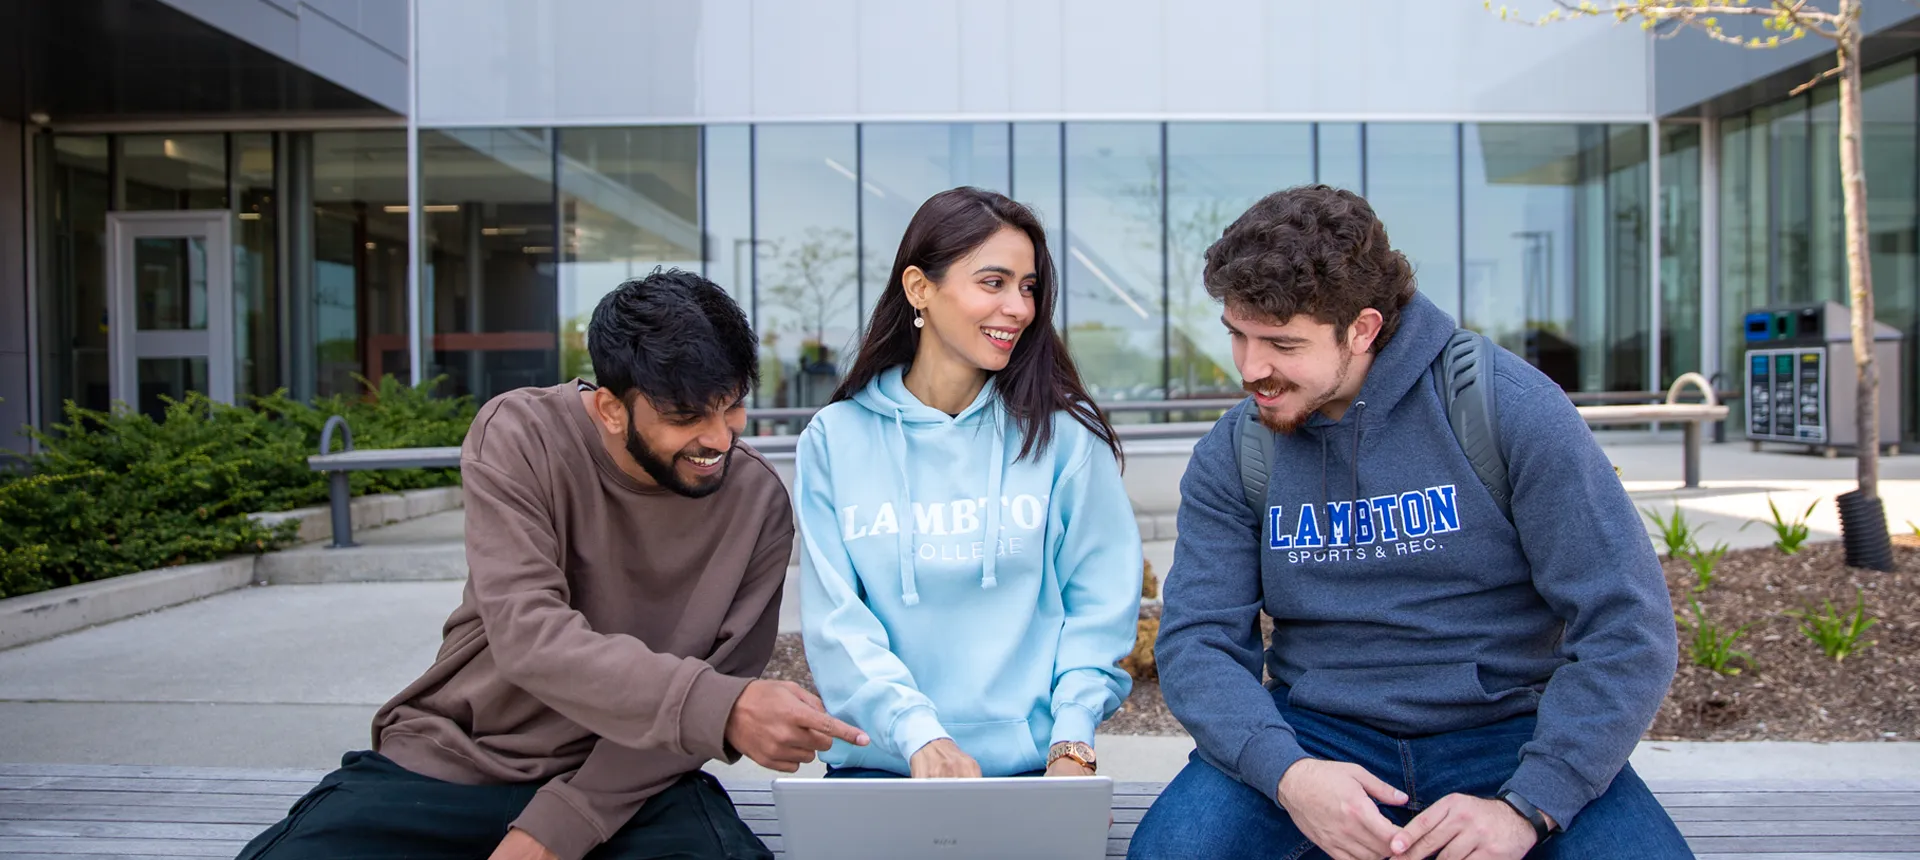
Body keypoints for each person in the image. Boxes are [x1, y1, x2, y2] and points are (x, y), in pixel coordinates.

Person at [1129, 186, 1690, 860]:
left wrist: (1529, 805)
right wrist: (1289, 775)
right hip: (1316, 735)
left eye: (1281, 343)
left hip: (1507, 731)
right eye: (1237, 335)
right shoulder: (1237, 450)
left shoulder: (1505, 408)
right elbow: (1199, 642)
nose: (1251, 369)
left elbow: (1628, 624)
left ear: (1363, 328)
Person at [236, 269, 868, 860]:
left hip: (636, 781)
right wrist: (723, 708)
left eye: (731, 406)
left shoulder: (757, 501)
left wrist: (562, 823)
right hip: (461, 756)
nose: (720, 439)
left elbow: (719, 682)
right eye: (685, 417)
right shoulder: (519, 434)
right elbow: (530, 636)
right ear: (610, 409)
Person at [796, 186, 1143, 781]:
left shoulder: (1064, 440)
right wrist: (918, 735)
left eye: (1028, 287)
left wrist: (1072, 744)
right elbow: (837, 624)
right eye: (993, 282)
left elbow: (1098, 607)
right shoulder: (834, 439)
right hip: (883, 765)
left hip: (1036, 769)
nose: (1019, 307)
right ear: (918, 288)